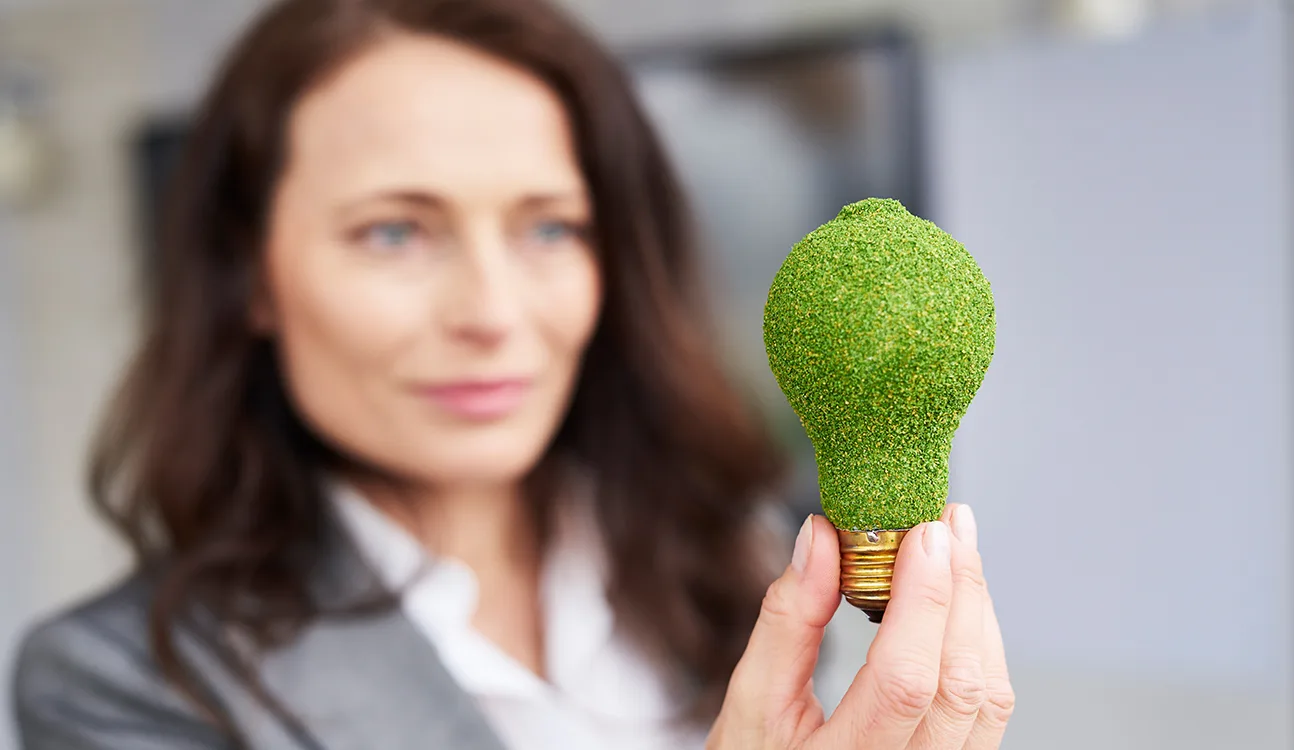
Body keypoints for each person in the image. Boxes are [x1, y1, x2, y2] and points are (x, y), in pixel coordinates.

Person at [11, 0, 1015, 748]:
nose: (493, 314)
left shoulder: (732, 569)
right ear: (251, 276)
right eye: (394, 231)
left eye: (550, 226)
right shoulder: (124, 686)